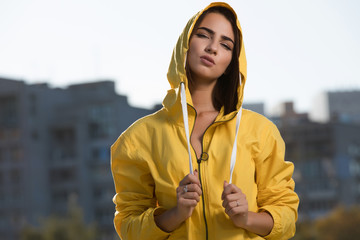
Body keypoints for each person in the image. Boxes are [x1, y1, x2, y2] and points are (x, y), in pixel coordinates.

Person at [111, 2, 299, 240]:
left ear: (233, 61)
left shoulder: (261, 132)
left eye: (225, 44)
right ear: (185, 44)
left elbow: (287, 217)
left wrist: (246, 218)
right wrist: (176, 214)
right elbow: (129, 227)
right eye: (203, 35)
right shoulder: (137, 139)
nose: (212, 48)